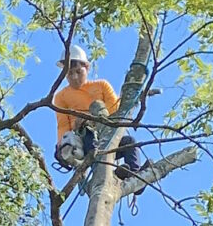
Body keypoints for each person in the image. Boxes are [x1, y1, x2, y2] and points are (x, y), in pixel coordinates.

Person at [53, 43, 145, 188]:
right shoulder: (61, 97)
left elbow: (115, 111)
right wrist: (64, 146)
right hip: (83, 140)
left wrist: (90, 116)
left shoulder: (101, 86)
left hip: (107, 133)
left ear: (87, 68)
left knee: (130, 142)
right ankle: (100, 166)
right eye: (70, 73)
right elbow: (63, 126)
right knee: (89, 135)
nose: (75, 77)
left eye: (78, 71)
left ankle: (133, 176)